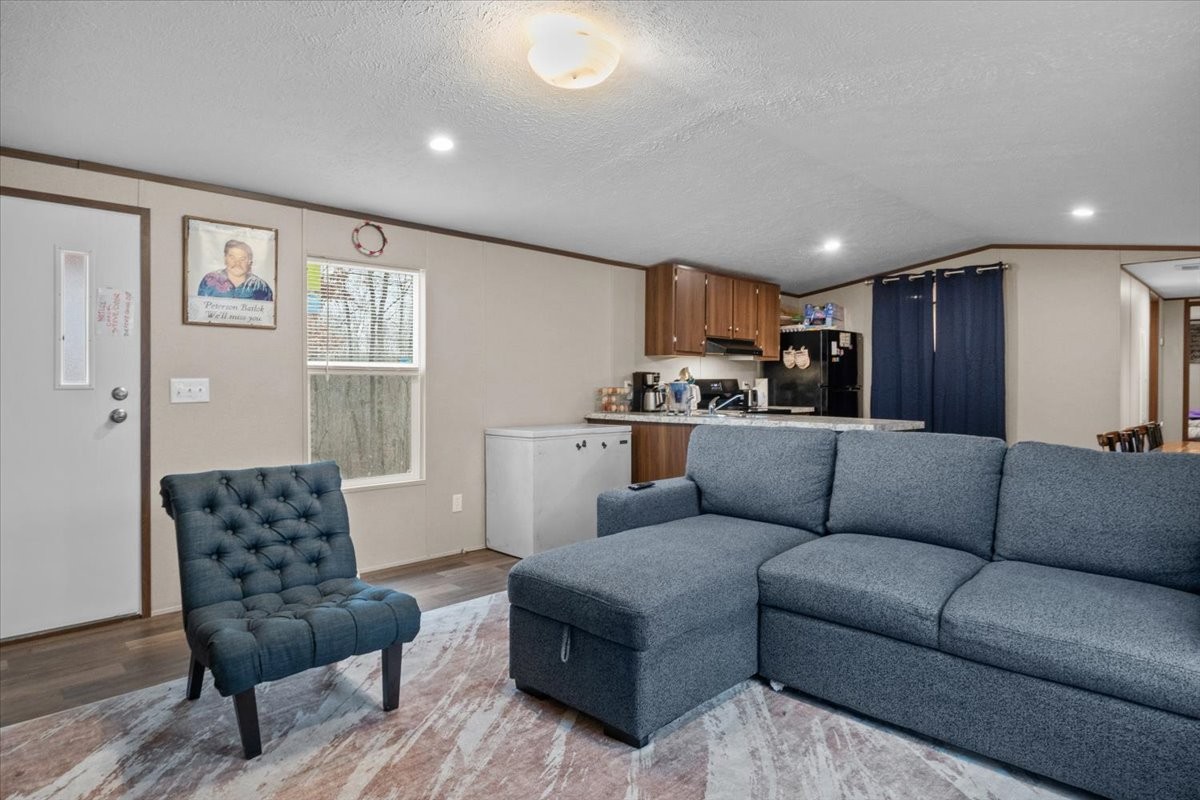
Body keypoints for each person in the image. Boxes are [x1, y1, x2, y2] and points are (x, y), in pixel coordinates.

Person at [197, 239, 273, 300]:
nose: (237, 263)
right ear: (225, 259)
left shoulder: (261, 286)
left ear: (249, 262)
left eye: (242, 259)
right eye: (232, 257)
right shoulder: (209, 280)